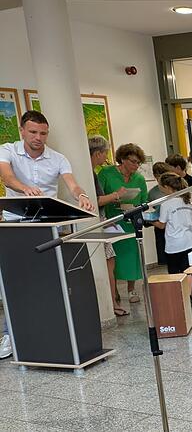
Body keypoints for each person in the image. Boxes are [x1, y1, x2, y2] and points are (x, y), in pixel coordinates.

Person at [0, 110, 96, 357]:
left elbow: (72, 184)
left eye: (43, 133)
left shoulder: (58, 158)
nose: (38, 137)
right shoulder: (8, 150)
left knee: (50, 280)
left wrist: (81, 195)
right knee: (16, 282)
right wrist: (25, 189)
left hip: (48, 225)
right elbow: (7, 177)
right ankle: (11, 336)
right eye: (33, 132)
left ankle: (53, 330)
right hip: (16, 226)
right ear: (21, 130)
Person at [97, 143, 148, 304]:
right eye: (133, 161)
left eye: (138, 163)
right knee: (113, 256)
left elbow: (144, 200)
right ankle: (115, 291)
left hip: (130, 221)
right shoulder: (106, 173)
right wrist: (115, 198)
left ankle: (131, 289)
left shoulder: (139, 178)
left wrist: (134, 206)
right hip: (111, 220)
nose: (136, 165)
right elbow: (98, 196)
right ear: (123, 159)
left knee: (132, 255)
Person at [87, 135, 129, 316]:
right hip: (97, 226)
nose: (106, 158)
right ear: (98, 153)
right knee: (108, 265)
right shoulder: (90, 173)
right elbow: (95, 200)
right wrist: (116, 195)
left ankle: (111, 304)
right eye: (105, 153)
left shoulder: (91, 172)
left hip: (101, 224)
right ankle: (111, 305)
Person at [152, 172, 192, 274]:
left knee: (174, 273)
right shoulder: (189, 201)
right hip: (188, 241)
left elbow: (161, 225)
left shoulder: (166, 204)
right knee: (188, 271)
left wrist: (149, 220)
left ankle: (177, 290)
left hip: (174, 244)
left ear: (166, 187)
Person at [147, 161, 172, 265]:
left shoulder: (175, 189)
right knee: (164, 259)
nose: (159, 179)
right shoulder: (152, 192)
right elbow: (150, 209)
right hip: (160, 227)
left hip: (174, 226)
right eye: (157, 177)